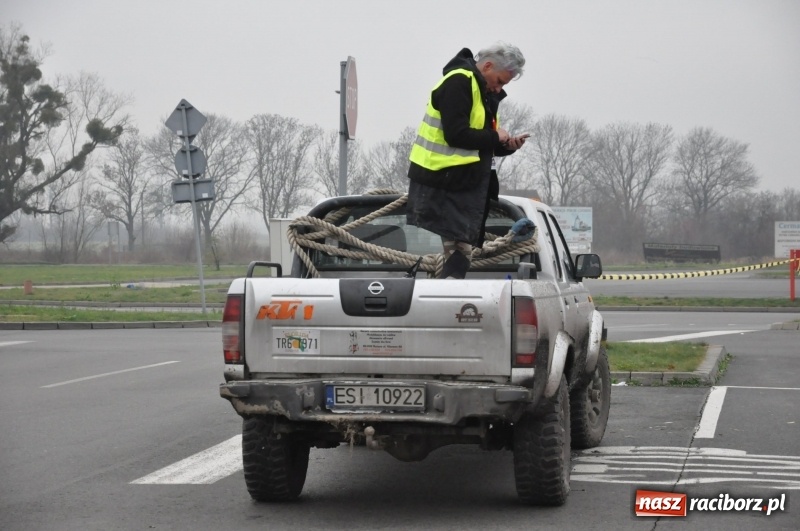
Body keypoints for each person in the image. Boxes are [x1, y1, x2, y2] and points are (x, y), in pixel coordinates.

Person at [406, 42, 528, 279]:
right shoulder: (460, 81)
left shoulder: (481, 92)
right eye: (500, 81)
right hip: (444, 180)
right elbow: (457, 135)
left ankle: (445, 300)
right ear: (488, 65)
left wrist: (506, 146)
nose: (498, 88)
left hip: (462, 182)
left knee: (460, 255)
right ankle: (444, 304)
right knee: (459, 255)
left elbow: (479, 146)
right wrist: (495, 135)